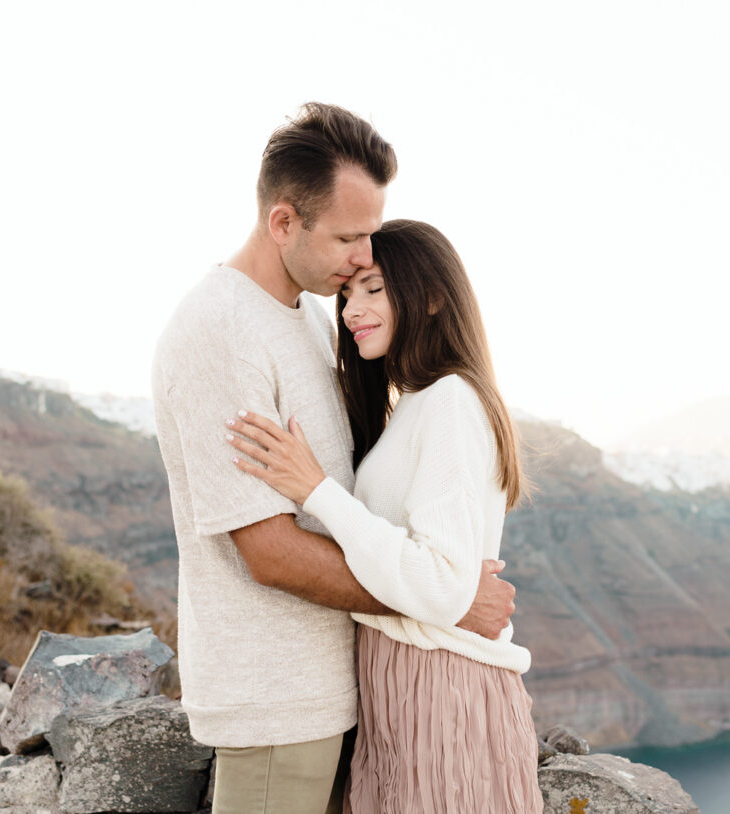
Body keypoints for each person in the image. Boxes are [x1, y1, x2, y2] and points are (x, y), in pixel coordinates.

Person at [151, 104, 517, 814]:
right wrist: (444, 601)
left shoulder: (310, 318)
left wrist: (435, 596)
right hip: (278, 700)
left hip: (343, 691)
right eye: (349, 239)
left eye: (371, 240)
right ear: (284, 222)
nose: (362, 258)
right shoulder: (223, 330)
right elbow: (270, 551)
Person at [224, 219, 544, 813]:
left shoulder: (450, 400)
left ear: (429, 296)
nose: (351, 310)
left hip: (442, 684)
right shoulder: (414, 406)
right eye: (347, 294)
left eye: (373, 289)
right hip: (402, 684)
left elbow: (440, 579)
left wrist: (316, 490)